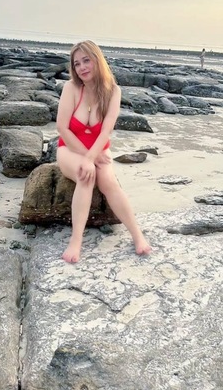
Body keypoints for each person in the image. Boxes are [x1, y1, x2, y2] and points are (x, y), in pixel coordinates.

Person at [56, 40, 152, 263]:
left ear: (97, 60)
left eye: (86, 60)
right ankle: (76, 242)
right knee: (85, 175)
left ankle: (138, 236)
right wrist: (88, 158)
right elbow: (62, 128)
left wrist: (93, 156)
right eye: (77, 63)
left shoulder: (113, 91)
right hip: (69, 148)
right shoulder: (71, 88)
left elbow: (107, 130)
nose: (82, 67)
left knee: (109, 181)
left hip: (99, 149)